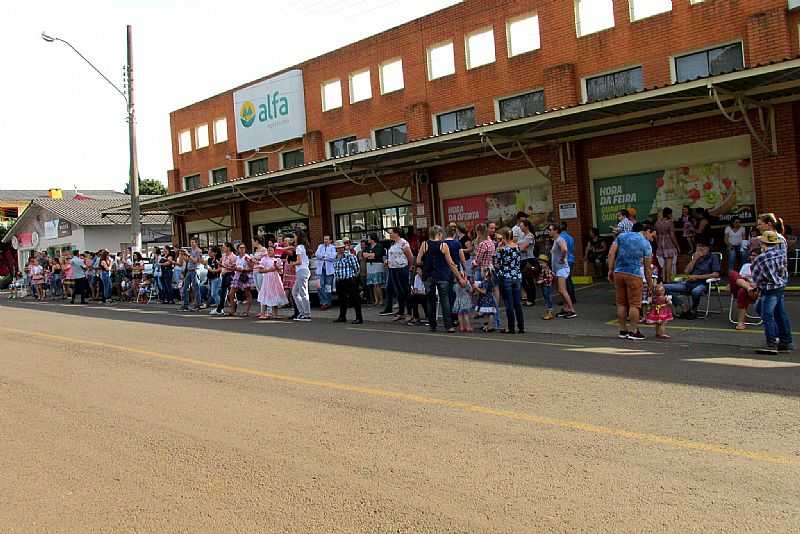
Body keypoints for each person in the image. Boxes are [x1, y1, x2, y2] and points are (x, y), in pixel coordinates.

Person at [607, 221, 655, 340]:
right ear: (647, 231)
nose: (652, 237)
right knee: (634, 304)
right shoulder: (646, 244)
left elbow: (611, 253)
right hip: (634, 274)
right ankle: (634, 331)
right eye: (652, 234)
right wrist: (650, 284)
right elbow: (648, 268)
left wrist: (610, 270)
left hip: (618, 272)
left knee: (621, 303)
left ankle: (623, 330)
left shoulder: (621, 236)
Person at [752, 230, 793, 355]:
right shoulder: (781, 253)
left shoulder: (761, 258)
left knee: (767, 315)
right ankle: (785, 342)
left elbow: (756, 277)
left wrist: (757, 286)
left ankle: (771, 343)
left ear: (763, 243)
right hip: (780, 286)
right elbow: (785, 270)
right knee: (780, 313)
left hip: (769, 289)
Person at [416, 225, 463, 333]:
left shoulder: (424, 244)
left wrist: (425, 264)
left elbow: (418, 260)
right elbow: (450, 263)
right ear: (440, 234)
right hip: (442, 275)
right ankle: (448, 326)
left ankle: (432, 325)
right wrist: (459, 277)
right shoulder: (443, 245)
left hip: (428, 275)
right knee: (444, 301)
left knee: (430, 300)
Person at [663, 239, 720, 319]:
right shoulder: (696, 257)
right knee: (663, 287)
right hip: (688, 283)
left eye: (702, 247)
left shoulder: (713, 257)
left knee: (696, 291)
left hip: (703, 283)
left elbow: (716, 274)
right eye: (698, 247)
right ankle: (682, 305)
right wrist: (694, 260)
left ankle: (694, 309)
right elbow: (686, 271)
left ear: (708, 248)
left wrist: (697, 277)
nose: (700, 250)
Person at [496, 228, 524, 334]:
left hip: (506, 277)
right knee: (517, 303)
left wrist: (499, 247)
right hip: (517, 277)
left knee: (509, 303)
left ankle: (511, 327)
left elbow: (497, 263)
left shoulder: (502, 249)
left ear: (504, 237)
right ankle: (521, 327)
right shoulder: (517, 247)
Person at [386, 227, 414, 322]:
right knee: (398, 291)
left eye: (391, 233)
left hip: (402, 269)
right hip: (393, 269)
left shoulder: (403, 243)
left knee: (405, 290)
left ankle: (409, 312)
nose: (390, 234)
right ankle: (401, 312)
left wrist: (410, 267)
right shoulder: (393, 244)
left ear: (397, 233)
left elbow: (410, 256)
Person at [548, 224, 577, 318]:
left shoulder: (560, 239)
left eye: (550, 229)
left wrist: (562, 258)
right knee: (560, 291)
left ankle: (572, 310)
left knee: (562, 290)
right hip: (557, 269)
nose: (549, 231)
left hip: (562, 268)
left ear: (556, 231)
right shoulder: (556, 240)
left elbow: (564, 249)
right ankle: (566, 308)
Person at [332, 240, 363, 324]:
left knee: (355, 298)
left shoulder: (350, 256)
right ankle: (342, 316)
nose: (340, 250)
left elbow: (356, 268)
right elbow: (335, 269)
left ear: (344, 247)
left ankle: (359, 317)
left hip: (349, 279)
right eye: (338, 248)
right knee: (342, 299)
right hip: (339, 280)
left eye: (341, 248)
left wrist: (353, 277)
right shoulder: (335, 257)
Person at [729, 249, 759, 330]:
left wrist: (750, 282)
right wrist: (748, 283)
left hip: (754, 293)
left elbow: (762, 283)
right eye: (751, 255)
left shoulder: (763, 268)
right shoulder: (746, 266)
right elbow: (738, 279)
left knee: (742, 291)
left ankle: (740, 323)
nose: (752, 257)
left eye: (755, 255)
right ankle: (748, 287)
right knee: (733, 273)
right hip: (745, 288)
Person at [256, 246, 288, 320]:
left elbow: (280, 271)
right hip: (267, 278)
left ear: (274, 251)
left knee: (275, 294)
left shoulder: (277, 259)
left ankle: (275, 314)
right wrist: (268, 270)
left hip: (275, 278)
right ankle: (263, 313)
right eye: (268, 250)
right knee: (265, 294)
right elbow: (260, 270)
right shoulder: (264, 259)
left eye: (271, 250)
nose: (269, 251)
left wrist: (276, 267)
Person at [210, 242, 237, 316]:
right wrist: (218, 262)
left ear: (228, 248)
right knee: (223, 293)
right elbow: (220, 263)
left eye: (224, 247)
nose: (223, 248)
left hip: (230, 275)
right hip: (224, 275)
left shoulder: (233, 256)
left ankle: (233, 308)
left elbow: (234, 268)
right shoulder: (224, 255)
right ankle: (220, 309)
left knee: (230, 293)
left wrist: (223, 266)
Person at [291, 230, 312, 322]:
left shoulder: (299, 247)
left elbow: (299, 261)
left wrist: (292, 263)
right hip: (303, 270)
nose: (294, 238)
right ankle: (302, 312)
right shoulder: (303, 246)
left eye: (295, 236)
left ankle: (306, 314)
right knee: (295, 292)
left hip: (301, 271)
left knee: (302, 293)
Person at [655, 207, 680, 284]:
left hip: (660, 243)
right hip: (668, 243)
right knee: (669, 262)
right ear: (669, 214)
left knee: (664, 264)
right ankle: (668, 280)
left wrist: (657, 244)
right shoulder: (670, 223)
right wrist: (677, 246)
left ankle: (664, 279)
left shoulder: (657, 222)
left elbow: (657, 235)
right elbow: (672, 235)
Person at [364, 234, 387, 313]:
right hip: (369, 265)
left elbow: (377, 255)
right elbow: (364, 255)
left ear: (373, 239)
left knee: (377, 283)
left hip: (377, 265)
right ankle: (376, 300)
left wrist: (370, 255)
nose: (368, 240)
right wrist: (370, 255)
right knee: (373, 284)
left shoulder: (379, 246)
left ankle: (381, 300)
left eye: (369, 238)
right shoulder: (368, 247)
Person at [231, 243, 254, 317]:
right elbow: (234, 266)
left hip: (245, 276)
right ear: (238, 249)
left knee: (247, 293)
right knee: (231, 293)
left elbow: (252, 268)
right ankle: (233, 309)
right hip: (237, 275)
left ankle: (247, 311)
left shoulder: (247, 257)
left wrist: (243, 269)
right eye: (240, 248)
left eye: (243, 248)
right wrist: (234, 267)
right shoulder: (237, 258)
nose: (242, 249)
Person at [314, 235, 336, 310]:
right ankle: (323, 302)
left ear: (330, 241)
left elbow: (333, 257)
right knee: (319, 285)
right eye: (324, 239)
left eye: (327, 239)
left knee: (328, 287)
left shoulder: (333, 247)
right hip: (320, 269)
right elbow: (317, 254)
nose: (325, 241)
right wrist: (326, 257)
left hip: (329, 270)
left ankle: (328, 303)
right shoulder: (320, 246)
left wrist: (323, 257)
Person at [518, 220, 537, 306]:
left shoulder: (530, 236)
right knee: (523, 280)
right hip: (522, 259)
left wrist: (519, 247)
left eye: (522, 226)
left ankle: (531, 299)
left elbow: (523, 248)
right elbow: (520, 247)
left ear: (526, 226)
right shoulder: (523, 236)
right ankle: (529, 297)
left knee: (528, 280)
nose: (520, 227)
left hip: (529, 259)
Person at [474, 267, 498, 333]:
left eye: (482, 271)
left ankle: (489, 326)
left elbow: (484, 292)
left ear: (486, 273)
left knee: (489, 313)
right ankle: (486, 326)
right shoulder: (489, 281)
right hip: (488, 299)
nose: (481, 273)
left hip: (486, 299)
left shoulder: (486, 282)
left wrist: (476, 288)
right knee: (486, 313)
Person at [560, 222, 577, 305]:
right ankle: (572, 297)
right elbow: (572, 249)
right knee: (569, 279)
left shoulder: (560, 238)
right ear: (567, 228)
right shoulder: (570, 237)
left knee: (565, 281)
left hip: (564, 260)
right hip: (571, 259)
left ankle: (568, 299)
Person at [536, 254, 555, 320]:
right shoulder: (543, 269)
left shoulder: (547, 270)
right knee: (546, 299)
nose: (540, 264)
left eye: (542, 263)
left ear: (546, 263)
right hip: (544, 286)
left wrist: (542, 281)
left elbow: (550, 278)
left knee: (548, 299)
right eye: (540, 263)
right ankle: (548, 312)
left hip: (547, 286)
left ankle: (550, 313)